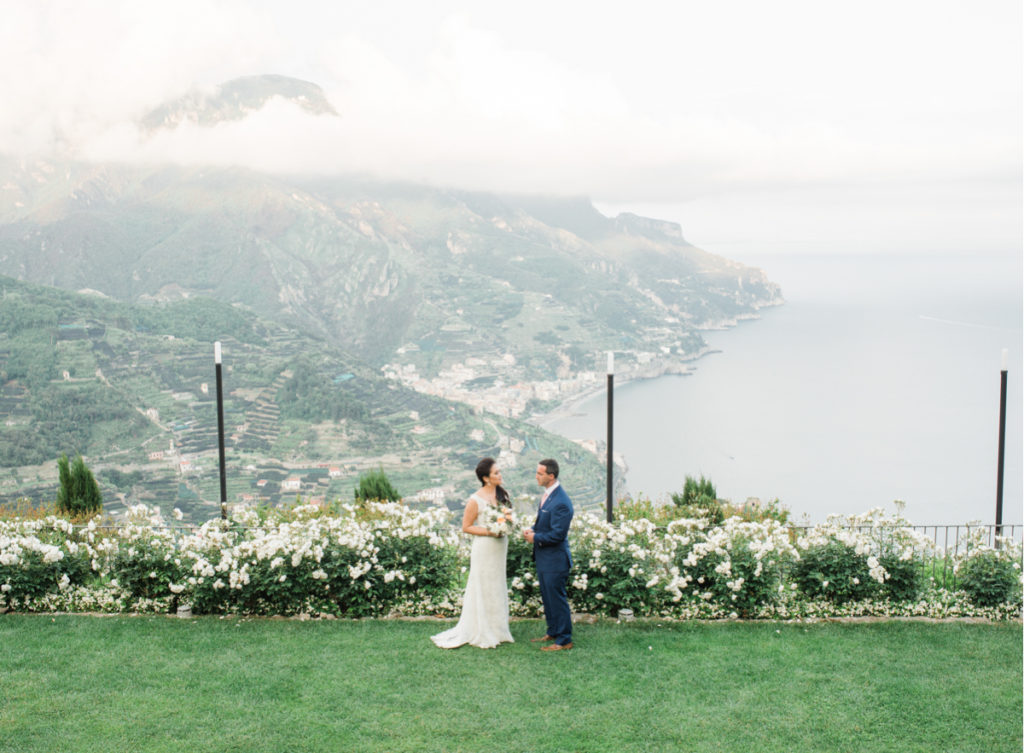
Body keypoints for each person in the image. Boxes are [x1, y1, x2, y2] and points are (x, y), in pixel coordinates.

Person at [431, 457, 514, 649]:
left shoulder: (503, 495)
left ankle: (498, 629)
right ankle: (481, 629)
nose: (500, 475)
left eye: (499, 472)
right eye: (496, 473)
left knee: (497, 585)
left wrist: (506, 526)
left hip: (500, 546)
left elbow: (507, 517)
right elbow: (466, 527)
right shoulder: (475, 499)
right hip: (485, 547)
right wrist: (490, 530)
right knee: (483, 585)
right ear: (486, 478)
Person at [523, 458, 574, 651]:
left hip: (555, 560)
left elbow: (557, 534)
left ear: (551, 476)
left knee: (557, 599)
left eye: (539, 473)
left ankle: (564, 640)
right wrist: (532, 530)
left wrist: (535, 538)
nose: (536, 476)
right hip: (545, 558)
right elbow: (543, 523)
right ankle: (552, 631)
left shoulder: (561, 501)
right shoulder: (548, 495)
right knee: (548, 597)